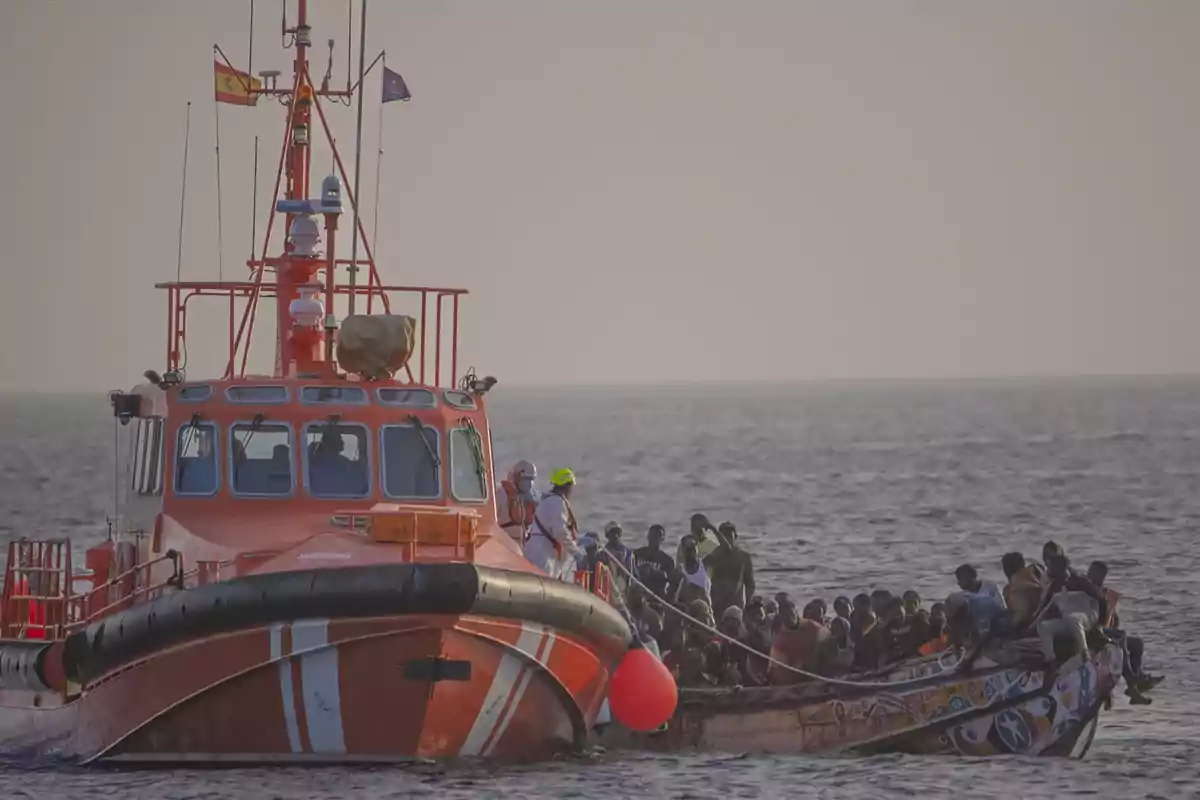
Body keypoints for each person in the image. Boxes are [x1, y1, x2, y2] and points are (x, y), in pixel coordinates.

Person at [1087, 560, 1161, 704]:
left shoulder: (1104, 592)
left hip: (1105, 630)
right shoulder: (1086, 588)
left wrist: (1113, 616)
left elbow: (1112, 620)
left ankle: (1137, 678)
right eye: (1093, 572)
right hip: (1091, 631)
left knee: (1136, 643)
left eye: (1100, 574)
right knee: (1121, 638)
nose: (1095, 576)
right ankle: (1132, 682)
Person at [1035, 553, 1108, 668]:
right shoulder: (1055, 586)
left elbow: (1102, 601)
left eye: (1051, 567)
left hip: (1085, 619)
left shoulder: (1082, 582)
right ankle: (1051, 661)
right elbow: (1043, 610)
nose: (1048, 571)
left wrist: (1100, 624)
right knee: (1044, 626)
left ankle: (1084, 653)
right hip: (1067, 621)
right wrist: (1028, 627)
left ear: (1061, 568)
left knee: (1074, 618)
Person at [525, 468, 582, 580]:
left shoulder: (548, 500)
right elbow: (560, 532)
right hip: (543, 555)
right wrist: (576, 552)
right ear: (567, 486)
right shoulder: (557, 502)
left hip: (540, 550)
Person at [768, 601, 829, 684]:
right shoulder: (780, 640)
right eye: (785, 616)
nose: (789, 618)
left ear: (796, 612)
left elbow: (827, 640)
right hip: (794, 675)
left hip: (816, 669)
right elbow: (776, 667)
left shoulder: (813, 628)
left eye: (791, 614)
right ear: (781, 617)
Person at [707, 521, 757, 613]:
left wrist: (748, 603)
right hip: (716, 603)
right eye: (724, 535)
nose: (726, 538)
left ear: (735, 536)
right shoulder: (713, 555)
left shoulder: (743, 557)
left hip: (736, 603)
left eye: (729, 535)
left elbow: (750, 584)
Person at [1001, 551, 1045, 628]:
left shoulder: (1015, 587)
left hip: (1026, 622)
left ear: (1006, 569)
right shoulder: (1034, 576)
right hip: (1039, 617)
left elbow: (1022, 615)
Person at [497, 460, 539, 541]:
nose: (530, 483)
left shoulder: (533, 497)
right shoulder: (501, 493)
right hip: (504, 542)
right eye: (527, 479)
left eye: (532, 479)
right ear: (517, 477)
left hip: (524, 543)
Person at [633, 524, 675, 599]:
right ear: (648, 536)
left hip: (655, 594)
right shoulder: (636, 554)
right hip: (637, 591)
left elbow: (669, 582)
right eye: (652, 535)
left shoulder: (667, 560)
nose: (654, 538)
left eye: (658, 535)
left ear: (662, 538)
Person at [672, 534, 712, 607]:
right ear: (683, 550)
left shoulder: (706, 563)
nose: (691, 551)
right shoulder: (679, 571)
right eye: (688, 549)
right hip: (685, 608)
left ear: (697, 548)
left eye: (693, 547)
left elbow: (726, 549)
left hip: (704, 607)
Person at [602, 521, 636, 593]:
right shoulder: (602, 553)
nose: (616, 535)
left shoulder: (628, 553)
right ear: (607, 535)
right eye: (613, 533)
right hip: (608, 587)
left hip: (624, 587)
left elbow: (634, 574)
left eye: (618, 532)